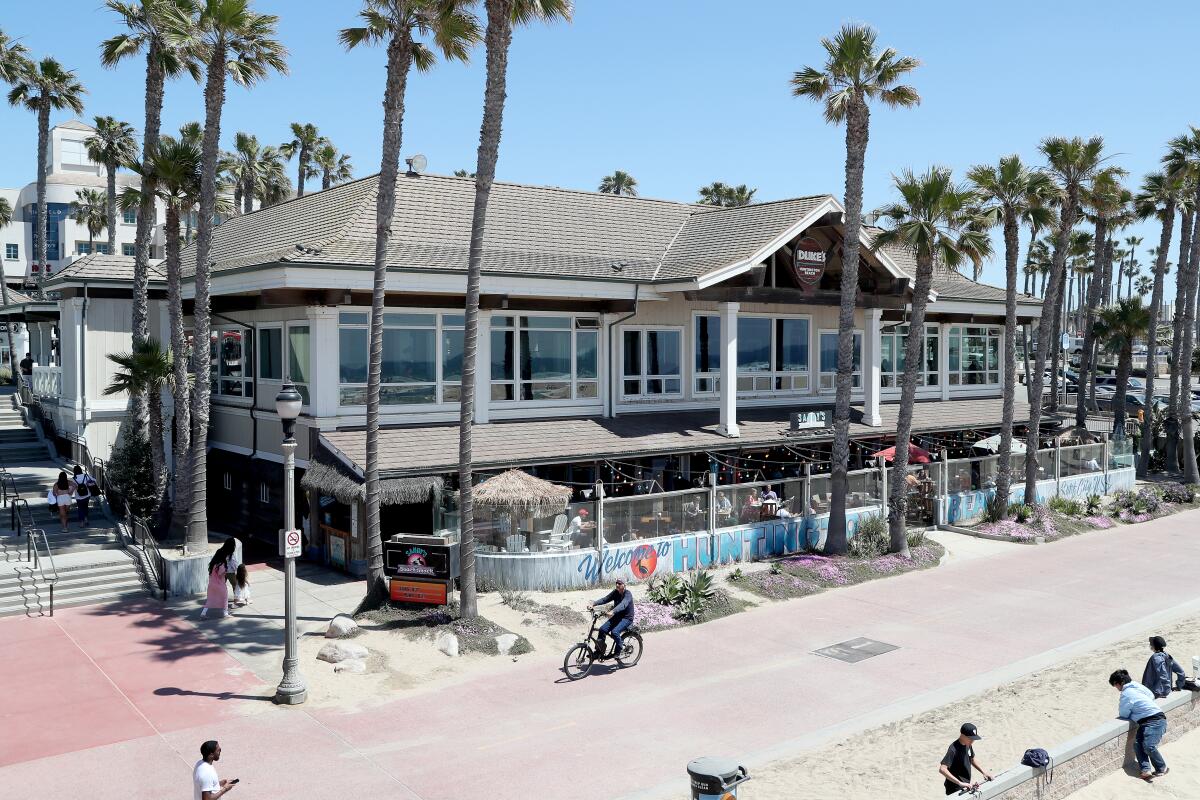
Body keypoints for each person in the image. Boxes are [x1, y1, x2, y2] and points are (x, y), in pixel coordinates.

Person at [1110, 668, 1168, 780]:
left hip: (1154, 720)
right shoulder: (1136, 686)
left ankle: (1162, 767)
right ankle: (1146, 769)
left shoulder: (1126, 694)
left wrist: (1134, 713)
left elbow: (1123, 713)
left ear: (1120, 683)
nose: (1116, 688)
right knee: (1138, 744)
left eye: (1115, 685)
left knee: (1148, 746)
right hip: (1148, 721)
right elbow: (1151, 695)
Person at [939, 723, 992, 795]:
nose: (972, 741)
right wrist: (960, 783)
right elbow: (942, 769)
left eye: (974, 739)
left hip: (965, 785)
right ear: (962, 735)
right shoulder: (953, 749)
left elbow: (972, 759)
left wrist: (984, 772)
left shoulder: (968, 745)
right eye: (970, 738)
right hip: (955, 789)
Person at [588, 578, 635, 659]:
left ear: (624, 585)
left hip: (627, 618)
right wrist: (594, 603)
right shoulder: (615, 592)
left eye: (619, 583)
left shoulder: (628, 594)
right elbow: (605, 599)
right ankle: (599, 652)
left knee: (615, 632)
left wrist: (613, 611)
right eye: (616, 583)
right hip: (617, 617)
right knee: (602, 630)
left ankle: (619, 651)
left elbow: (624, 604)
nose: (617, 585)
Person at [201, 540, 236, 619]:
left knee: (210, 600)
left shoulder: (213, 564)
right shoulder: (222, 565)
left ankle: (203, 613)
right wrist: (226, 570)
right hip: (220, 585)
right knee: (224, 598)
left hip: (211, 585)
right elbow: (221, 574)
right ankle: (225, 613)